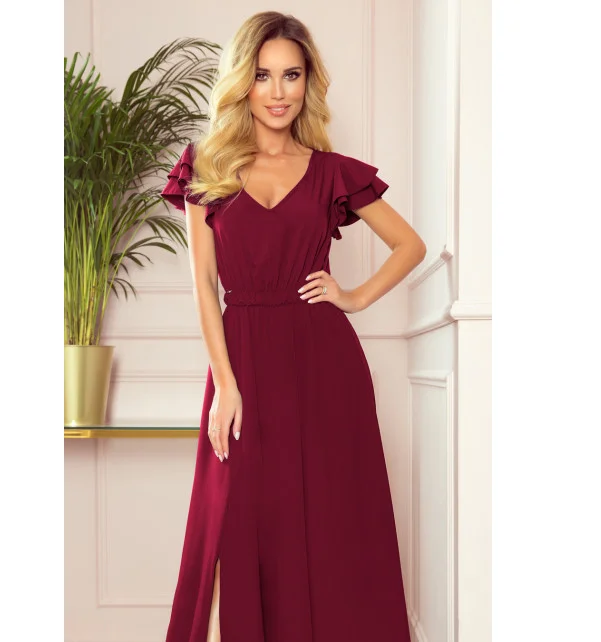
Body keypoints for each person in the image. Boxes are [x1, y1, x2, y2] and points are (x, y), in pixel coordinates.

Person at [160, 11, 426, 642]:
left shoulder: (332, 172)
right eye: (262, 76)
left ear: (309, 82)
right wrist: (226, 384)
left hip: (322, 363)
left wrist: (352, 297)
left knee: (332, 519)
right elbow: (203, 284)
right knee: (243, 515)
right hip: (244, 359)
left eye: (292, 75)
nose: (278, 92)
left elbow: (410, 246)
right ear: (242, 82)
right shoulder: (207, 166)